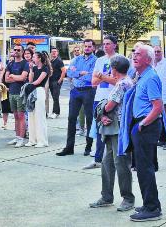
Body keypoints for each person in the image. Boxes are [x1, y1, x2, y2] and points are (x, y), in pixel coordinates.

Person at [119, 44, 165, 222]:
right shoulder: (141, 76)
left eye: (139, 54)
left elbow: (158, 106)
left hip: (146, 126)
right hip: (140, 125)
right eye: (134, 54)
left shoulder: (151, 77)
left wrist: (142, 125)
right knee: (142, 169)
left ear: (148, 59)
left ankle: (152, 208)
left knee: (145, 169)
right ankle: (149, 203)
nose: (134, 56)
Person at [88, 55, 135, 211]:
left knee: (121, 163)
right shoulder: (127, 81)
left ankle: (127, 198)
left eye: (111, 68)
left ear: (114, 69)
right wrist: (103, 113)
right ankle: (106, 196)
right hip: (113, 127)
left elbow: (109, 106)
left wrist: (102, 112)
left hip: (119, 128)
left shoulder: (123, 83)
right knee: (107, 163)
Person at [86, 35, 123, 169]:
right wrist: (106, 77)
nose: (105, 46)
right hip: (99, 98)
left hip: (113, 98)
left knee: (114, 129)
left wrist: (102, 76)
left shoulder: (120, 60)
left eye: (108, 44)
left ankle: (115, 159)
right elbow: (93, 82)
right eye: (104, 44)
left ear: (114, 45)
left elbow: (119, 82)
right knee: (98, 129)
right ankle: (98, 159)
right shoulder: (100, 60)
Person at [57, 39, 97, 156]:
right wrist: (81, 73)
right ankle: (69, 147)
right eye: (86, 46)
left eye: (89, 46)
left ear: (93, 48)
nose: (87, 48)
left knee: (89, 119)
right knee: (71, 119)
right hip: (75, 91)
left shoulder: (96, 61)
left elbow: (91, 77)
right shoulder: (77, 59)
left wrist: (78, 73)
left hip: (88, 91)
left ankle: (88, 147)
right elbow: (69, 73)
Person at [4, 45, 29, 146]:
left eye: (19, 50)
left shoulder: (25, 63)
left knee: (21, 115)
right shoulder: (10, 63)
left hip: (21, 92)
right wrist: (16, 78)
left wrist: (13, 76)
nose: (16, 51)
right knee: (15, 115)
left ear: (22, 52)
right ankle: (17, 137)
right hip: (12, 92)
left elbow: (23, 78)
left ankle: (22, 138)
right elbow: (6, 79)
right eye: (15, 50)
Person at [26, 51, 49, 147]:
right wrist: (31, 70)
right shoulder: (34, 68)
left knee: (39, 116)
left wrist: (28, 85)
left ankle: (42, 141)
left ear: (39, 58)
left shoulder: (45, 68)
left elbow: (38, 81)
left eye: (34, 57)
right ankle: (32, 140)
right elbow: (31, 80)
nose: (33, 58)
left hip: (39, 91)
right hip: (32, 91)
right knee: (31, 115)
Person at [49, 47, 65, 118]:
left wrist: (60, 80)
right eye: (52, 51)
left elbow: (64, 71)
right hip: (51, 81)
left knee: (55, 97)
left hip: (56, 81)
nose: (54, 53)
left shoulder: (59, 61)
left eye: (55, 51)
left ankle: (55, 112)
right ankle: (55, 111)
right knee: (54, 97)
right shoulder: (51, 60)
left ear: (57, 53)